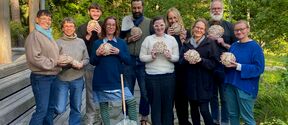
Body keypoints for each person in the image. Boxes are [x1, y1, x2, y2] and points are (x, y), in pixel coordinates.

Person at [90, 16, 138, 125]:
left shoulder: (121, 43)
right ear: (104, 27)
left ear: (116, 27)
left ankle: (133, 123)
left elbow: (128, 60)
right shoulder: (98, 43)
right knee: (104, 105)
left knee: (131, 101)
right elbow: (92, 61)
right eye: (108, 24)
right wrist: (97, 54)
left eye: (113, 25)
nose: (111, 27)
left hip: (118, 79)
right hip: (102, 79)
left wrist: (119, 52)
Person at [222, 20, 265, 125]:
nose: (239, 32)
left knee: (247, 118)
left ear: (248, 30)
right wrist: (224, 61)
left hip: (246, 87)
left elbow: (259, 68)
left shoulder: (255, 47)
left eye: (242, 29)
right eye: (236, 30)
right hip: (230, 84)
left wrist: (239, 66)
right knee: (232, 114)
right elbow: (229, 63)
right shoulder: (234, 46)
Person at [140, 16, 179, 125]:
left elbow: (177, 58)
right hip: (152, 78)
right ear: (153, 26)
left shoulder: (171, 39)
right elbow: (141, 57)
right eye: (156, 25)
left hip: (168, 77)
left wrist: (169, 56)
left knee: (168, 106)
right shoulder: (148, 39)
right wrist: (151, 56)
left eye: (161, 25)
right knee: (155, 107)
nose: (159, 27)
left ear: (165, 25)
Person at [25, 10, 60, 125]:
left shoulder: (48, 35)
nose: (47, 21)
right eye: (44, 18)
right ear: (37, 20)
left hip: (53, 76)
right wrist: (54, 62)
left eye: (49, 19)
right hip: (41, 78)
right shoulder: (34, 36)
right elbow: (34, 58)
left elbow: (54, 55)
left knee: (50, 109)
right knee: (42, 110)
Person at [179, 18, 217, 125]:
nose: (199, 30)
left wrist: (201, 61)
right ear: (193, 28)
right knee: (194, 111)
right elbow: (180, 62)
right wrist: (186, 59)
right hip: (190, 83)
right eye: (197, 27)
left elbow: (214, 64)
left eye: (201, 28)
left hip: (204, 84)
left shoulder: (210, 44)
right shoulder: (187, 44)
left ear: (205, 31)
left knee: (204, 111)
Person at [52, 17, 89, 125]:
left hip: (77, 79)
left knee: (76, 107)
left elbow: (87, 58)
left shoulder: (81, 42)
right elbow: (53, 61)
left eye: (71, 26)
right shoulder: (57, 43)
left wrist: (82, 63)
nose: (69, 28)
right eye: (66, 26)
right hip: (61, 79)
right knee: (59, 108)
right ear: (62, 28)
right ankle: (48, 109)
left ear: (74, 28)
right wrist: (63, 62)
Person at [120, 0, 151, 124]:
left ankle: (144, 116)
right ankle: (127, 117)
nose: (137, 10)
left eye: (139, 7)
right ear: (131, 8)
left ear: (142, 7)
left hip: (143, 61)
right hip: (128, 61)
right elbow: (119, 40)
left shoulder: (149, 22)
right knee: (127, 90)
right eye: (134, 8)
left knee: (145, 91)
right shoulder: (125, 21)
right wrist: (128, 39)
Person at [208, 0, 237, 124]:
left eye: (218, 8)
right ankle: (215, 120)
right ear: (210, 10)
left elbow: (236, 47)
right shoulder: (205, 25)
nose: (216, 10)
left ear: (222, 10)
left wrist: (223, 43)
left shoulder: (230, 26)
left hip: (225, 68)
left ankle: (225, 121)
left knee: (225, 97)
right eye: (214, 8)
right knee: (212, 96)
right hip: (209, 66)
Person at [76, 3, 102, 125]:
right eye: (93, 11)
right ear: (89, 12)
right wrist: (88, 34)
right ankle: (90, 115)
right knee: (90, 91)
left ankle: (102, 114)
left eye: (97, 11)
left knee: (103, 89)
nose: (95, 14)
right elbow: (78, 45)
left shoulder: (105, 25)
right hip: (90, 63)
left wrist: (101, 33)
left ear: (101, 13)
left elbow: (111, 41)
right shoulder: (82, 27)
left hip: (104, 64)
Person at [165, 7, 191, 125]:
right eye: (170, 18)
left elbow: (190, 52)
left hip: (182, 71)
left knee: (182, 100)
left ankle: (184, 121)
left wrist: (183, 40)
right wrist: (167, 36)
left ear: (179, 18)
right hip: (169, 70)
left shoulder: (186, 32)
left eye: (174, 17)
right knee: (169, 99)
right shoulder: (165, 33)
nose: (172, 20)